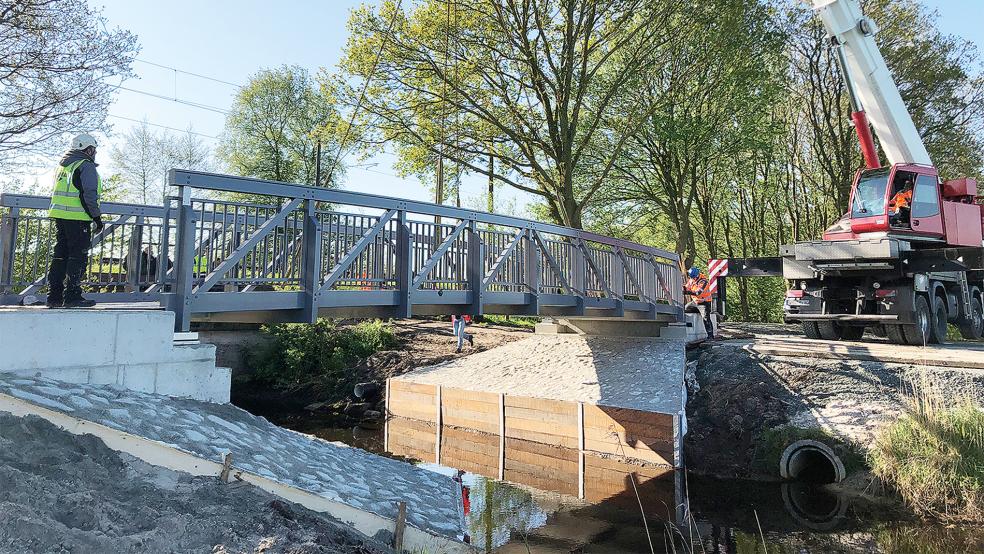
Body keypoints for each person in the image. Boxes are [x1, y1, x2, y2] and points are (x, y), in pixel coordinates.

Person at [46, 133, 104, 308]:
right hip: (78, 218)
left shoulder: (63, 167)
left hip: (61, 217)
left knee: (60, 256)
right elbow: (89, 194)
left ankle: (54, 297)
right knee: (77, 257)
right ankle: (72, 296)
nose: (95, 153)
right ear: (89, 149)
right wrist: (97, 218)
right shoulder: (85, 166)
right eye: (94, 149)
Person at [684, 266, 715, 338]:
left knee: (706, 318)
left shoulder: (703, 281)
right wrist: (682, 288)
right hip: (695, 302)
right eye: (692, 277)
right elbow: (687, 287)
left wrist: (686, 292)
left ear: (697, 275)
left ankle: (710, 336)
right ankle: (687, 331)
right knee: (685, 309)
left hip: (704, 303)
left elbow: (698, 293)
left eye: (694, 277)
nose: (693, 279)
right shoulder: (691, 279)